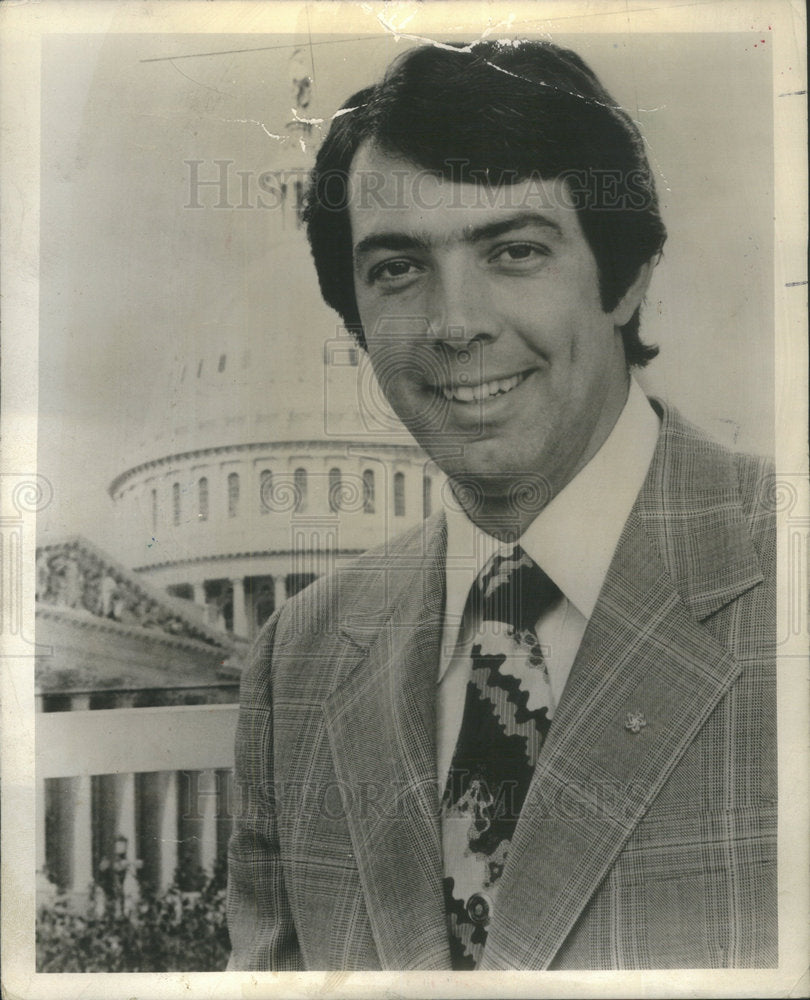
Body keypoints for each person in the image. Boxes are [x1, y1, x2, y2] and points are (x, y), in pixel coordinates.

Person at [227, 40, 776, 970]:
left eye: (516, 251)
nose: (455, 324)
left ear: (626, 274)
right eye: (398, 269)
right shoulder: (299, 661)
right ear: (354, 317)